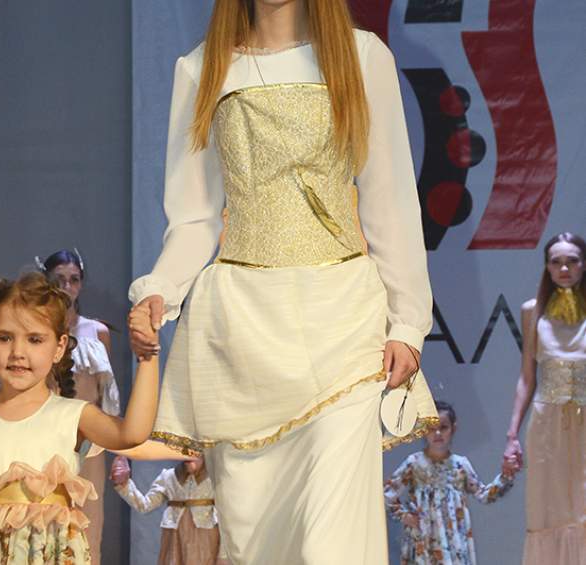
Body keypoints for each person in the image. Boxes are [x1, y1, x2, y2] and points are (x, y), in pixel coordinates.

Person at [128, 1, 436, 561]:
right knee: (255, 546)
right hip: (242, 335)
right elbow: (195, 217)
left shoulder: (362, 56)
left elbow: (390, 200)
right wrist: (160, 289)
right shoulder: (200, 69)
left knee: (331, 542)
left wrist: (408, 322)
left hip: (344, 324)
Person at [0, 272, 159, 564]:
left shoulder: (72, 415)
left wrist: (147, 357)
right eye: (4, 338)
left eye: (35, 340)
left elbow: (133, 433)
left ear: (59, 347)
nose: (18, 352)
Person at [0, 249, 120, 564]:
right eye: (60, 279)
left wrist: (119, 453)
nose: (67, 286)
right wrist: (18, 405)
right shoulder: (36, 329)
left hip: (89, 438)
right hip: (46, 434)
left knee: (89, 521)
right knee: (43, 515)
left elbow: (108, 395)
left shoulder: (97, 332)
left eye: (74, 279)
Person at [502, 232, 586, 564]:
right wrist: (511, 436)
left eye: (572, 261)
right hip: (547, 424)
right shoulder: (532, 311)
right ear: (547, 268)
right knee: (547, 509)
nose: (564, 268)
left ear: (583, 264)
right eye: (556, 262)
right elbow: (527, 377)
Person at [385, 401, 515, 564]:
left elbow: (484, 495)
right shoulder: (414, 463)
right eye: (432, 428)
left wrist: (506, 476)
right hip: (423, 541)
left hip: (454, 542)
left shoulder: (460, 465)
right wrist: (406, 517)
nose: (437, 433)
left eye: (443, 427)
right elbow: (387, 495)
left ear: (453, 428)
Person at [110, 455, 224, 565]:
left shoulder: (215, 477)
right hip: (175, 537)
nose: (189, 455)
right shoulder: (169, 476)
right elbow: (145, 505)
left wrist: (223, 555)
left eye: (195, 451)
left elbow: (227, 516)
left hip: (205, 535)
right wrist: (124, 484)